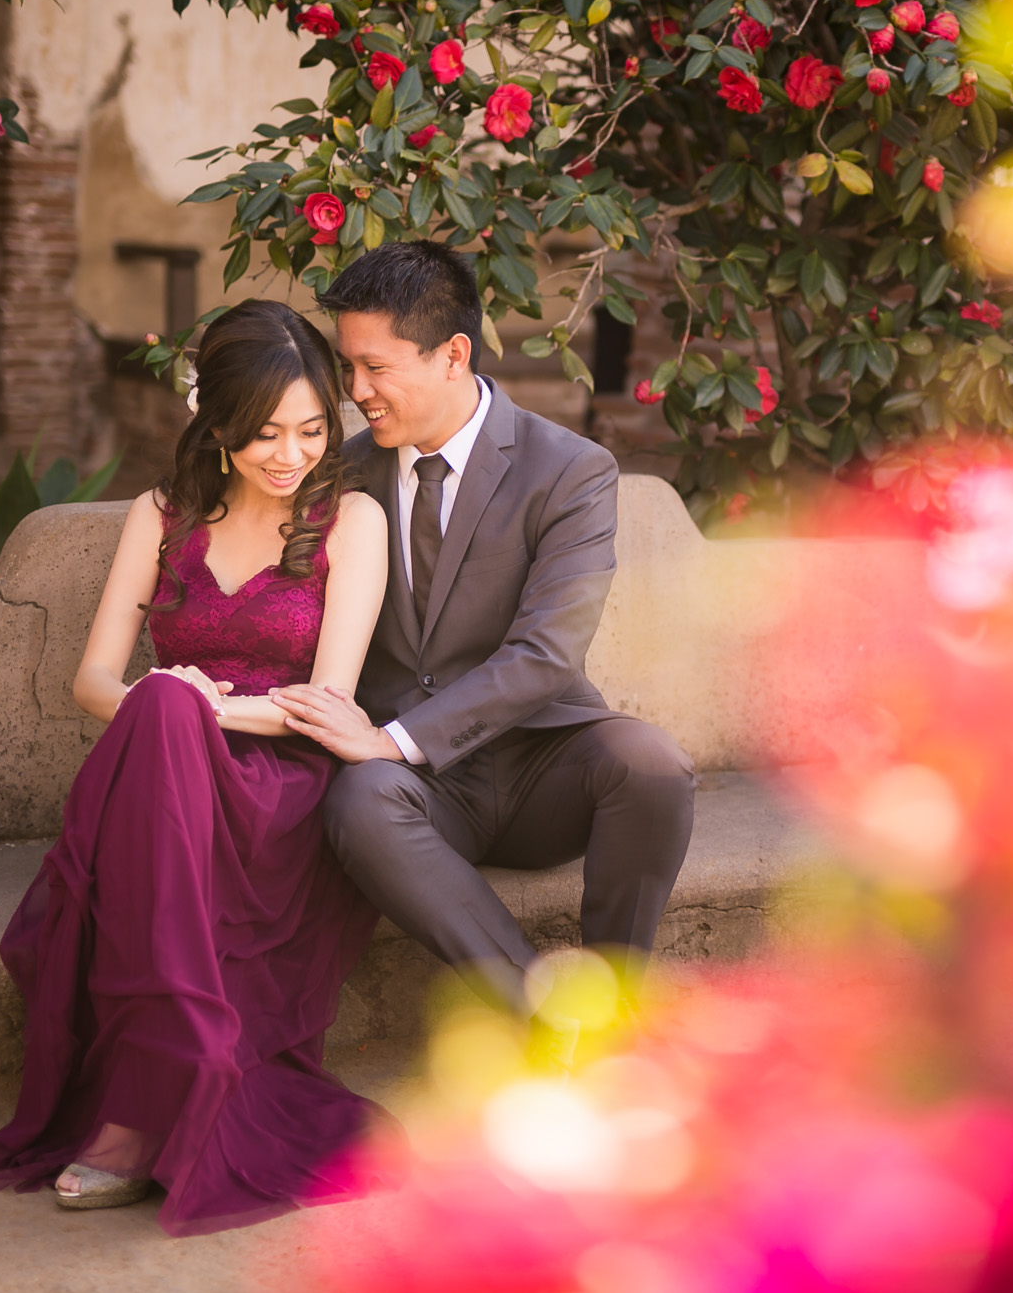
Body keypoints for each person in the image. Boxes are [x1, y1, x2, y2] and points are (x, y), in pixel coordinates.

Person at [0, 299, 392, 1236]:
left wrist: (206, 706)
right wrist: (176, 708)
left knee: (172, 708)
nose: (291, 455)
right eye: (263, 434)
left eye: (309, 430)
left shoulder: (354, 520)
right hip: (159, 770)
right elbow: (94, 677)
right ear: (214, 427)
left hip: (278, 780)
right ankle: (151, 1094)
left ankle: (134, 1118)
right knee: (160, 713)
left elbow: (327, 701)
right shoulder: (162, 514)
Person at [268, 241, 697, 1019]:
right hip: (420, 795)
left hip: (543, 766)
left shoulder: (570, 469)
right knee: (360, 800)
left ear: (453, 355)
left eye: (376, 368)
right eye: (348, 367)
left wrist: (391, 737)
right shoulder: (342, 474)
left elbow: (548, 653)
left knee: (653, 764)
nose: (355, 391)